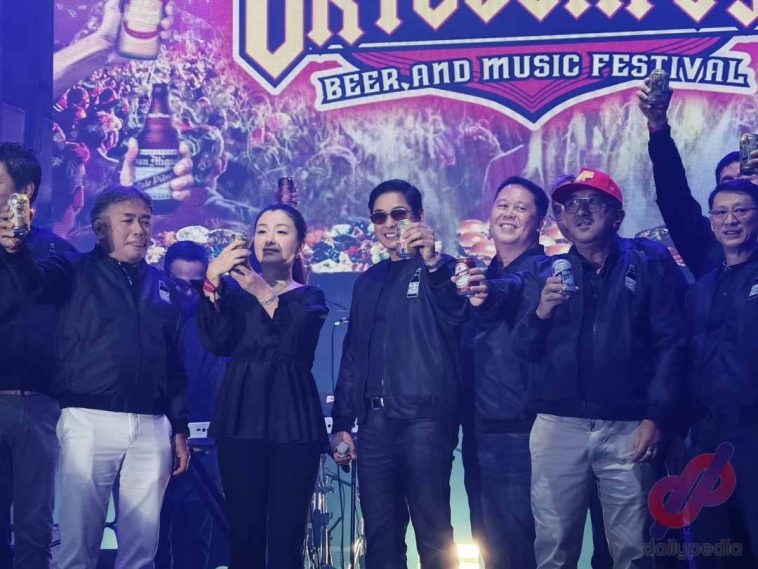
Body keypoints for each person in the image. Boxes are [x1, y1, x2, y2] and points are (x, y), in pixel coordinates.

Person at [0, 184, 190, 569]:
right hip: (88, 419)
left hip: (152, 426)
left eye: (146, 221)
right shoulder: (73, 270)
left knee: (141, 551)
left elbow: (174, 362)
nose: (139, 229)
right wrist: (15, 250)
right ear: (101, 228)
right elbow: (32, 282)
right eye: (128, 220)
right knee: (78, 547)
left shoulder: (163, 286)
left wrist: (179, 426)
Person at [514, 168, 687, 569]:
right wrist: (542, 311)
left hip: (628, 426)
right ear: (562, 218)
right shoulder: (544, 272)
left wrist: (656, 415)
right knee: (554, 549)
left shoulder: (648, 262)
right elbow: (522, 348)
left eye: (594, 202)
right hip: (558, 425)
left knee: (634, 550)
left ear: (617, 216)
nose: (581, 211)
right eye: (572, 204)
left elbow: (670, 343)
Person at [330, 179, 464, 568]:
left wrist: (433, 262)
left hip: (425, 420)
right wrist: (342, 422)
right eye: (379, 217)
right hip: (374, 425)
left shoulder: (443, 269)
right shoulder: (367, 281)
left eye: (399, 214)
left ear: (418, 216)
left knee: (434, 534)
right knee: (381, 537)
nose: (389, 223)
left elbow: (458, 315)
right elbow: (353, 354)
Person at [197, 204, 328, 568]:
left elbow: (292, 343)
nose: (270, 238)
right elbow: (215, 341)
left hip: (292, 421)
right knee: (244, 534)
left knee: (287, 537)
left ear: (299, 244)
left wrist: (261, 290)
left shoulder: (309, 297)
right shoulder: (234, 296)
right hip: (241, 416)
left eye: (281, 231)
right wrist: (212, 281)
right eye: (262, 230)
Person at [458, 176, 549, 568]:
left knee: (518, 547)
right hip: (478, 429)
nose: (509, 213)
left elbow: (511, 289)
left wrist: (486, 293)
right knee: (488, 545)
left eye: (521, 207)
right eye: (503, 205)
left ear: (540, 222)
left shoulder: (545, 271)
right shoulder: (484, 273)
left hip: (520, 431)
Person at [0, 143, 75, 569]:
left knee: (33, 526)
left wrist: (17, 248)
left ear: (24, 190)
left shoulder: (56, 249)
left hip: (37, 404)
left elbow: (45, 288)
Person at [683, 178, 758, 568]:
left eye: (741, 210)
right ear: (711, 223)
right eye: (721, 212)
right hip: (707, 438)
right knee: (714, 549)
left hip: (753, 433)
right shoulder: (701, 288)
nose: (731, 220)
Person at [637, 76, 758, 279]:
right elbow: (674, 195)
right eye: (728, 181)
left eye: (746, 178)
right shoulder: (706, 247)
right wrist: (658, 128)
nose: (738, 185)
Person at [156, 241, 226, 569]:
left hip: (204, 443)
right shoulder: (152, 316)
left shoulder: (215, 322)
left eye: (194, 285)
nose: (186, 292)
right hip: (155, 437)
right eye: (177, 284)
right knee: (151, 534)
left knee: (195, 538)